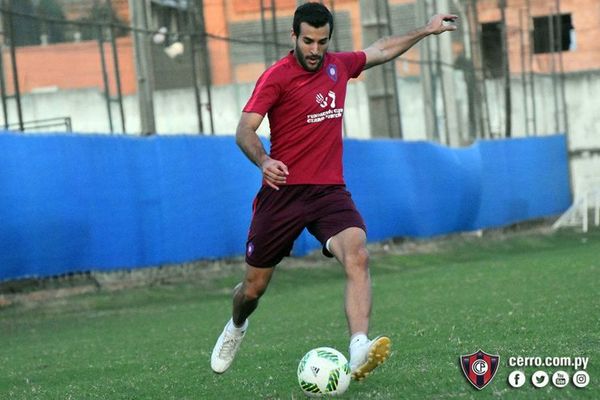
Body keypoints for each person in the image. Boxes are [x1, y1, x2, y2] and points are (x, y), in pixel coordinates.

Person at [211, 2, 457, 381]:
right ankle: (236, 326)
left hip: (329, 192)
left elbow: (381, 49)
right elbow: (244, 130)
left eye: (322, 42)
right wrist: (263, 161)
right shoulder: (276, 77)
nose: (314, 50)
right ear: (294, 36)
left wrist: (426, 30)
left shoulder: (337, 66)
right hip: (283, 194)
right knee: (253, 289)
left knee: (358, 253)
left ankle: (359, 347)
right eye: (307, 41)